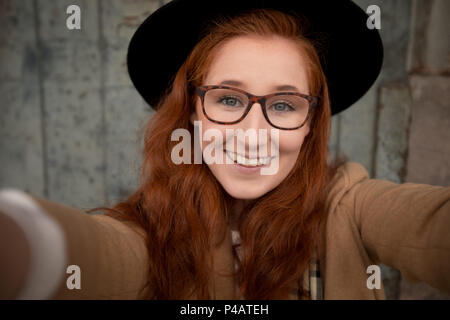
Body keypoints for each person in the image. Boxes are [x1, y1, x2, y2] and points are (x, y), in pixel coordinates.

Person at [0, 0, 449, 300]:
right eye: (228, 99)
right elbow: (100, 254)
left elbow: (428, 228)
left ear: (311, 124)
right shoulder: (151, 229)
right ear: (192, 112)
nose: (254, 133)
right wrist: (28, 240)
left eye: (285, 104)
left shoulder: (348, 207)